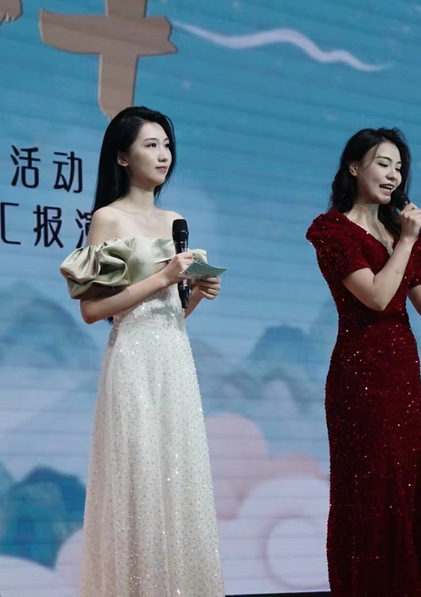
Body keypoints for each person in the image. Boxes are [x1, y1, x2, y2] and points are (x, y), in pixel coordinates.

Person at [59, 106, 225, 596]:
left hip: (175, 360)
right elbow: (94, 310)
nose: (163, 154)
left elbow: (171, 313)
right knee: (140, 482)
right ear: (122, 157)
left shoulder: (175, 221)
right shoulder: (108, 218)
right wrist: (163, 277)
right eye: (151, 145)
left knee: (178, 481)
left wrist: (196, 293)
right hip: (131, 361)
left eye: (166, 145)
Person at [305, 127, 421, 596]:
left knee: (406, 481)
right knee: (370, 487)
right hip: (359, 371)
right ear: (354, 167)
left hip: (403, 372)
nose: (393, 175)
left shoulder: (401, 234)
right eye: (383, 164)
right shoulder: (333, 230)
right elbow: (377, 297)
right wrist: (406, 240)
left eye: (399, 168)